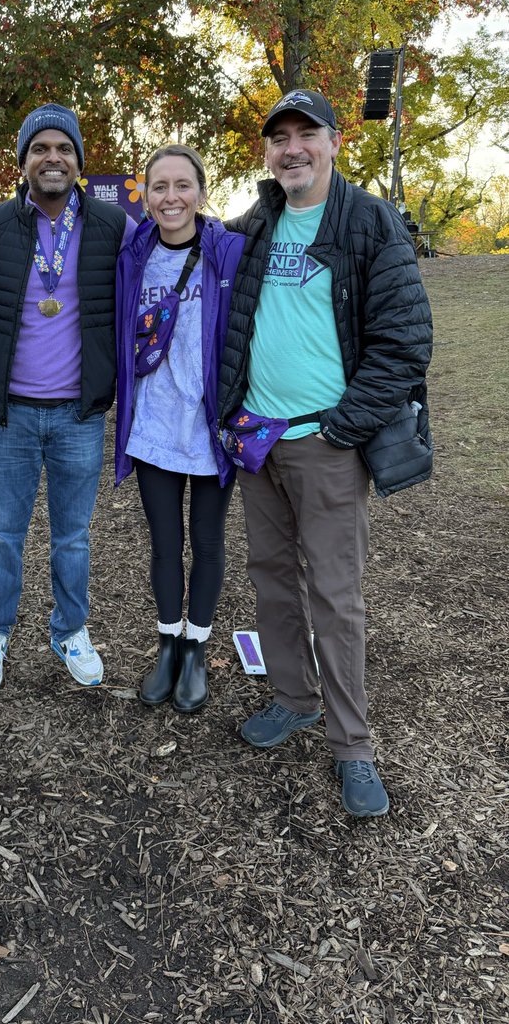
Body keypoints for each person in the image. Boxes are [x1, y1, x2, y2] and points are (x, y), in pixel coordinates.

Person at [218, 89, 433, 817]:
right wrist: (229, 413)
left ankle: (353, 745)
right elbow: (227, 320)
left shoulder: (368, 222)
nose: (292, 148)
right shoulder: (254, 226)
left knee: (335, 599)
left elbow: (404, 340)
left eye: (306, 134)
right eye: (279, 138)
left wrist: (344, 427)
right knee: (272, 579)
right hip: (258, 442)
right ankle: (294, 698)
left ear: (336, 142)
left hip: (326, 445)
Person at [0, 104, 128, 691]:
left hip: (79, 414)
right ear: (23, 161)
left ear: (79, 161)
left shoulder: (112, 226)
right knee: (4, 533)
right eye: (40, 149)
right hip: (8, 415)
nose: (52, 158)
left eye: (63, 148)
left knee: (73, 537)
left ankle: (70, 629)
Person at [115, 145, 245, 712]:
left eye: (182, 185)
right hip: (153, 425)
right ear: (144, 193)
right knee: (165, 544)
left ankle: (198, 648)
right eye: (159, 187)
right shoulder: (132, 257)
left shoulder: (229, 253)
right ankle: (168, 642)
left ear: (201, 191)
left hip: (211, 427)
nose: (171, 198)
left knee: (207, 543)